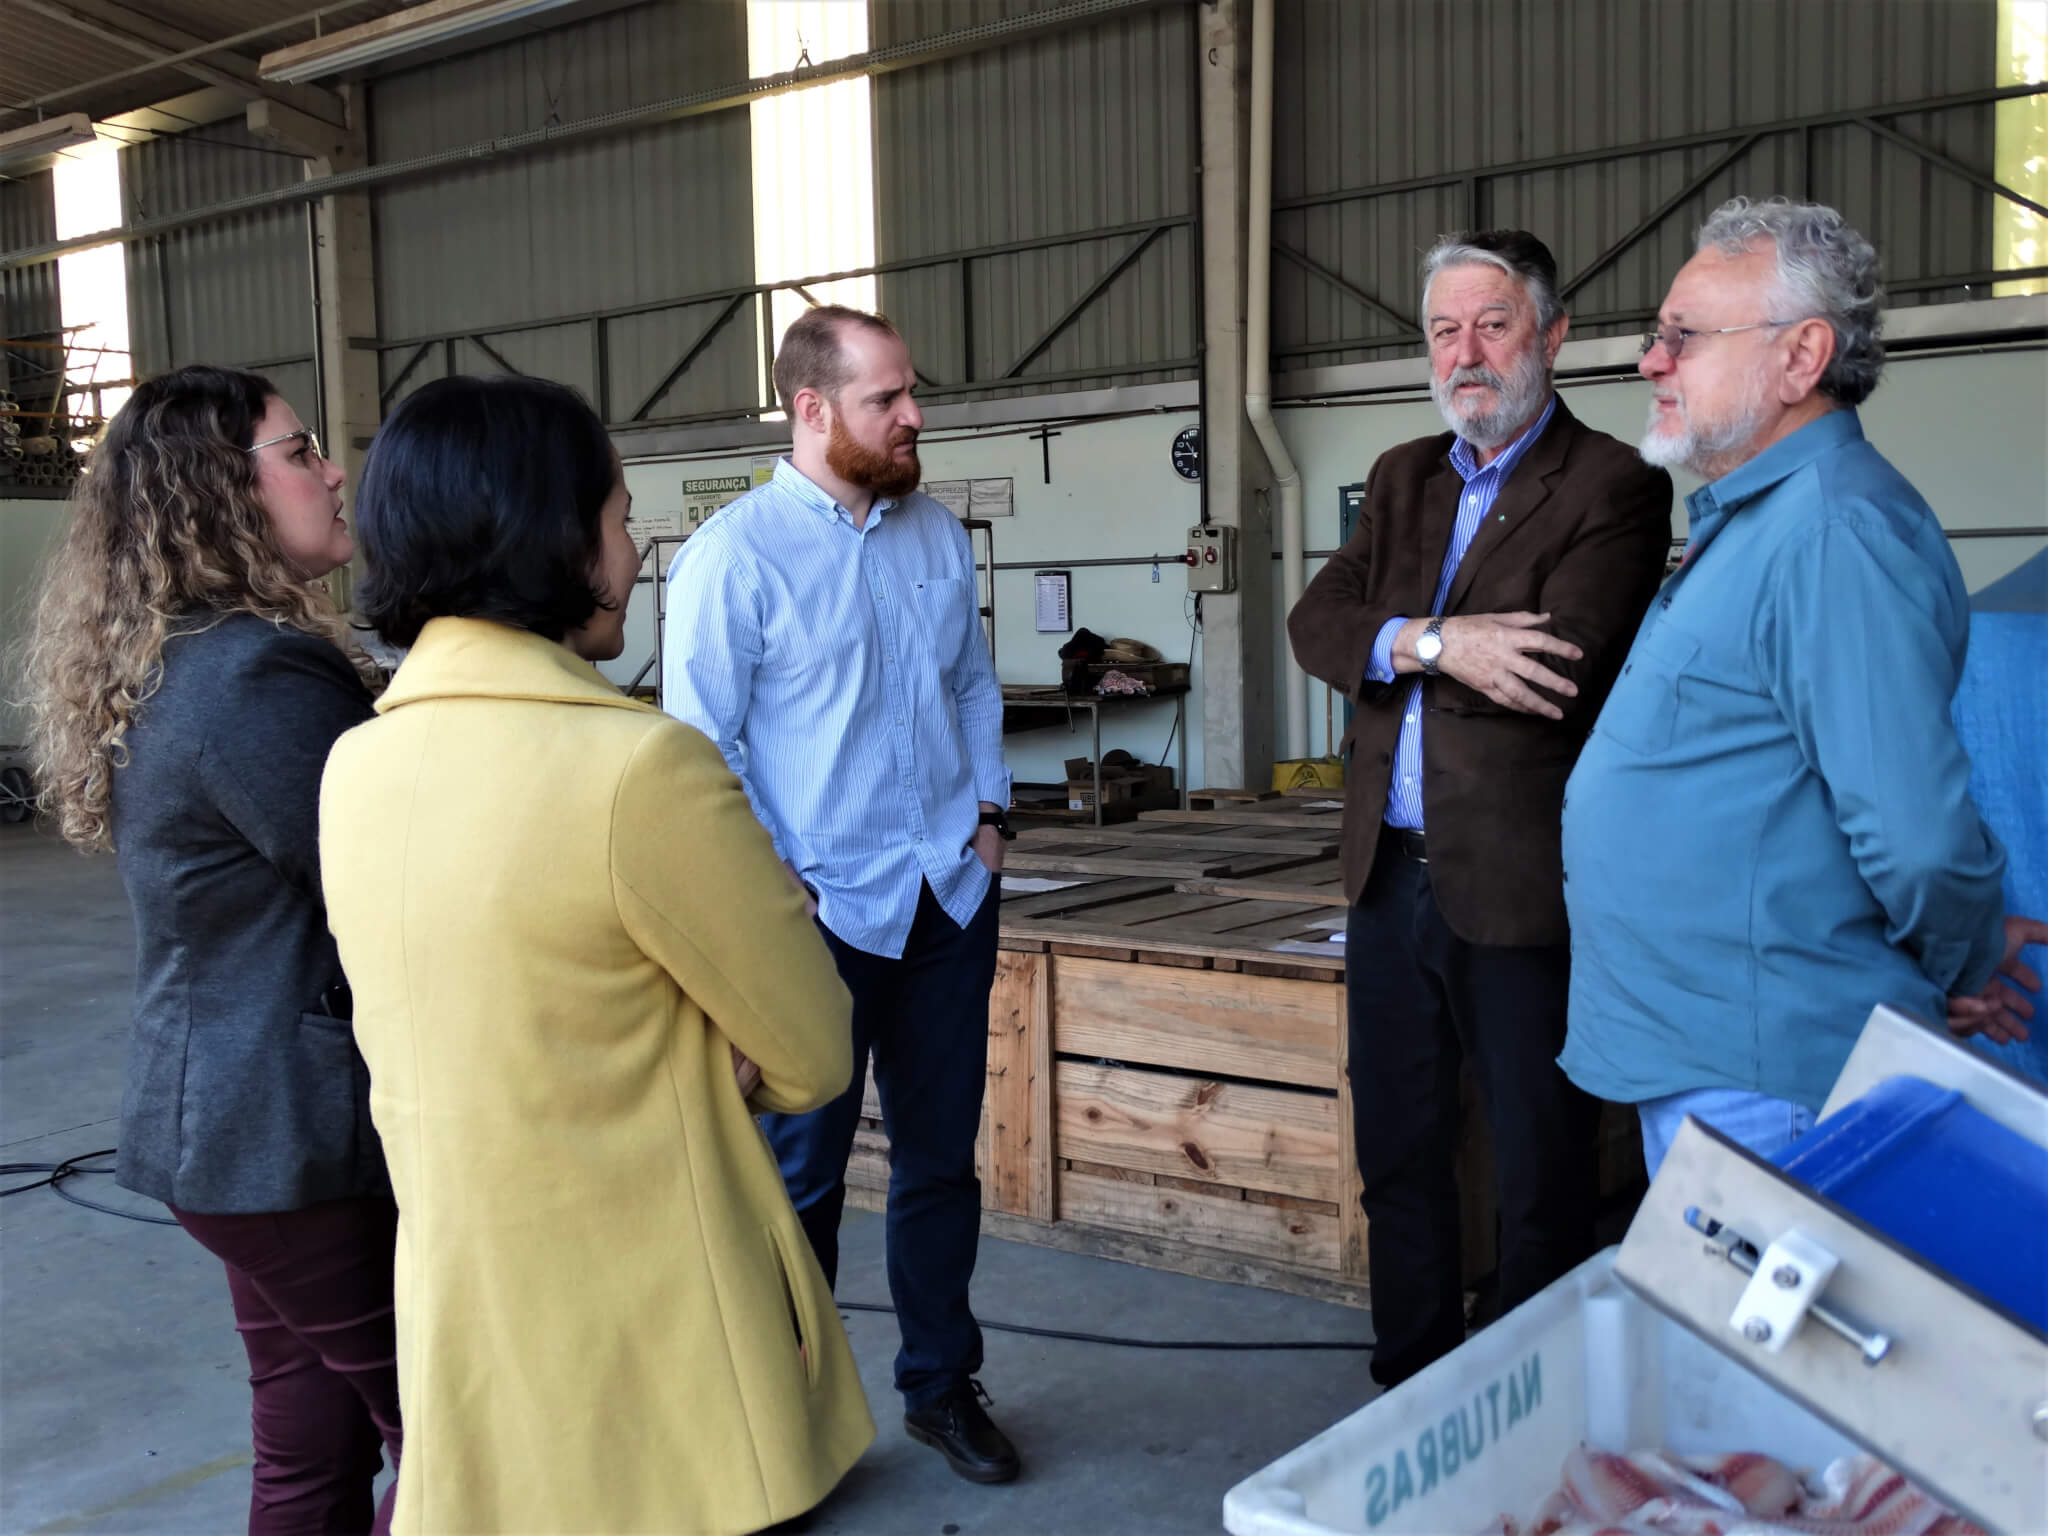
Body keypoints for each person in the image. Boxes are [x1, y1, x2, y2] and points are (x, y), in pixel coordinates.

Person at [319, 375, 873, 1535]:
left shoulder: (355, 765)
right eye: (620, 520)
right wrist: (700, 1058)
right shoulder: (637, 772)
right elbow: (815, 1051)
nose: (633, 554)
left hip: (467, 1316)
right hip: (649, 1332)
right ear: (553, 540)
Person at [1561, 197, 2048, 1176]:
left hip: (1772, 1075)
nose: (1649, 361)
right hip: (1729, 1052)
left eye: (1681, 337)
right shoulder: (1765, 523)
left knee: (1754, 1334)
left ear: (1800, 357)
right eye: (1658, 337)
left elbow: (1913, 836)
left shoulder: (1832, 536)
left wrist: (1950, 964)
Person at [1287, 231, 1673, 1389]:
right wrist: (1435, 640)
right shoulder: (1404, 474)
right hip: (1384, 876)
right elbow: (1316, 622)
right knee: (1397, 1150)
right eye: (1442, 331)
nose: (1464, 354)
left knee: (1534, 1162)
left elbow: (1552, 665)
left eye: (1490, 325)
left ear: (1549, 337)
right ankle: (1410, 1380)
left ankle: (1525, 1397)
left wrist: (1390, 642)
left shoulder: (1612, 483)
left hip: (1515, 880)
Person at [21, 364, 402, 1533]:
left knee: (308, 1451)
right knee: (460, 1439)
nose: (333, 470)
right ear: (219, 495)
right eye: (298, 452)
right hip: (288, 1137)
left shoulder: (180, 659)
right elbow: (381, 890)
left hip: (227, 1136)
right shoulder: (257, 676)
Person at [664, 305, 1019, 1484]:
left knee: (938, 1164)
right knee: (799, 1180)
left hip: (945, 900)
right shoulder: (736, 555)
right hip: (812, 922)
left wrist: (988, 819)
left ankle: (938, 1385)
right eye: (887, 399)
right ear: (812, 410)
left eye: (910, 392)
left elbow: (971, 683)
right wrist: (772, 891)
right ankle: (783, 1426)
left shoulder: (932, 536)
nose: (915, 415)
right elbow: (697, 752)